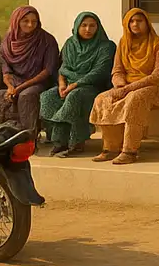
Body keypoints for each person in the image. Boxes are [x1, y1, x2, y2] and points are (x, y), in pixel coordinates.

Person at [89, 8, 159, 165]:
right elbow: (117, 70)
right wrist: (120, 85)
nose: (135, 24)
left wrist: (128, 89)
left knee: (133, 100)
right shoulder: (123, 43)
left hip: (152, 87)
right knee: (102, 99)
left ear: (147, 23)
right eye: (131, 21)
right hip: (125, 85)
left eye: (139, 21)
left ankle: (129, 151)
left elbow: (158, 75)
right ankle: (110, 148)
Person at [39, 11, 116, 157]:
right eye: (84, 25)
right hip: (67, 85)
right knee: (47, 97)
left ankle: (75, 141)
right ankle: (59, 141)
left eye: (92, 26)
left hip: (92, 87)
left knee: (74, 97)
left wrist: (75, 85)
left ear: (98, 27)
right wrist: (62, 84)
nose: (88, 29)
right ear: (77, 26)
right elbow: (63, 68)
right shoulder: (70, 44)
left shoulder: (107, 46)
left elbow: (99, 72)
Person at [0, 6, 61, 133]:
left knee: (26, 95)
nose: (30, 24)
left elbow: (48, 71)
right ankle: (0, 135)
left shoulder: (47, 40)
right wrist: (10, 87)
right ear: (16, 21)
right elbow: (6, 69)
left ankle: (28, 136)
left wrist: (19, 88)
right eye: (25, 21)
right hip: (15, 82)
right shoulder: (8, 40)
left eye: (34, 21)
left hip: (39, 82)